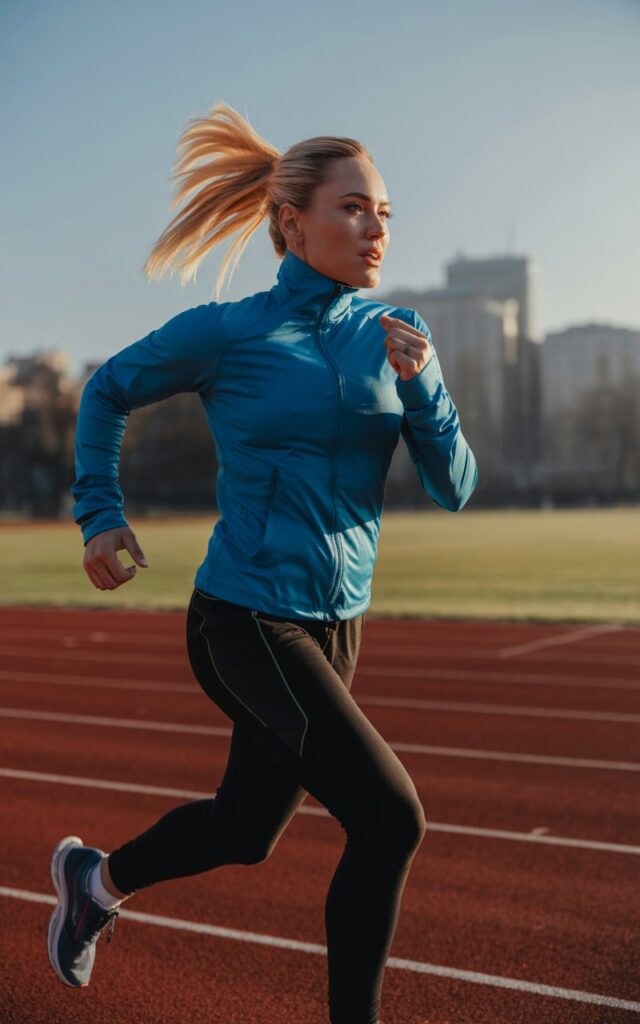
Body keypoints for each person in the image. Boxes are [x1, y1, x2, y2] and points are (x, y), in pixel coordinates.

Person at [47, 101, 478, 1024]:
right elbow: (107, 390)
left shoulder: (395, 335)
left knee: (245, 833)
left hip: (335, 625)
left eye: (386, 213)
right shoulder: (231, 333)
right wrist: (98, 514)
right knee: (391, 818)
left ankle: (95, 880)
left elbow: (454, 486)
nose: (376, 230)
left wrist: (426, 387)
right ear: (293, 221)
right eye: (354, 208)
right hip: (242, 616)